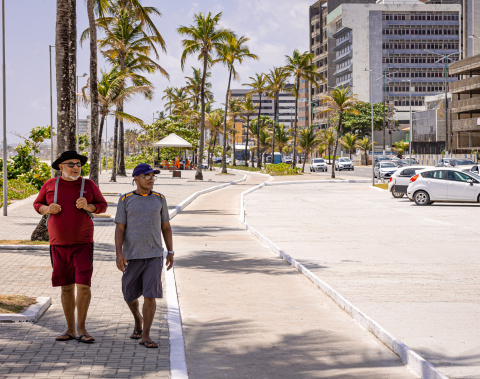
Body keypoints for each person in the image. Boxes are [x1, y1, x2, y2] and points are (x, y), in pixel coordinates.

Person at [33, 150, 108, 344]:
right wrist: (47, 209)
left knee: (83, 287)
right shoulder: (50, 184)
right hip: (58, 244)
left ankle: (82, 328)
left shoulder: (88, 185)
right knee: (66, 288)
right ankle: (70, 329)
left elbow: (102, 205)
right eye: (71, 164)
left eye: (78, 164)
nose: (76, 167)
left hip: (83, 244)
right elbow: (37, 203)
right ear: (61, 167)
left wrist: (88, 206)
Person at [114, 163, 174, 348]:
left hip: (154, 255)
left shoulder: (159, 199)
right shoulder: (126, 199)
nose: (150, 179)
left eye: (152, 176)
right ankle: (138, 320)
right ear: (136, 178)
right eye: (146, 176)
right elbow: (120, 228)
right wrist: (119, 253)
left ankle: (146, 335)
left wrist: (170, 251)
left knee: (150, 295)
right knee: (128, 293)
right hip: (132, 256)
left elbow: (166, 227)